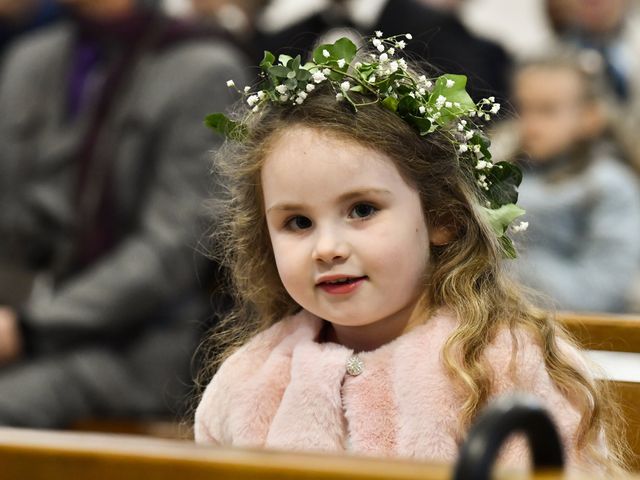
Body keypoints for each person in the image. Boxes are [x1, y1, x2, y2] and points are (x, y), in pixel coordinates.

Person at [193, 35, 627, 474]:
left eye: (362, 210)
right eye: (298, 223)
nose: (326, 248)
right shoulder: (246, 383)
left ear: (443, 218)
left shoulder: (506, 366)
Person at [0, 0, 246, 427]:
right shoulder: (32, 58)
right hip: (20, 309)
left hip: (136, 344)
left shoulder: (203, 66)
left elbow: (172, 248)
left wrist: (29, 329)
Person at [505, 55, 640, 313]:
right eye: (523, 109)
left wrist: (504, 268)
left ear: (591, 117)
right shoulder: (504, 170)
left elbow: (599, 291)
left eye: (547, 111)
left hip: (583, 335)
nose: (530, 125)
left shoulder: (609, 185)